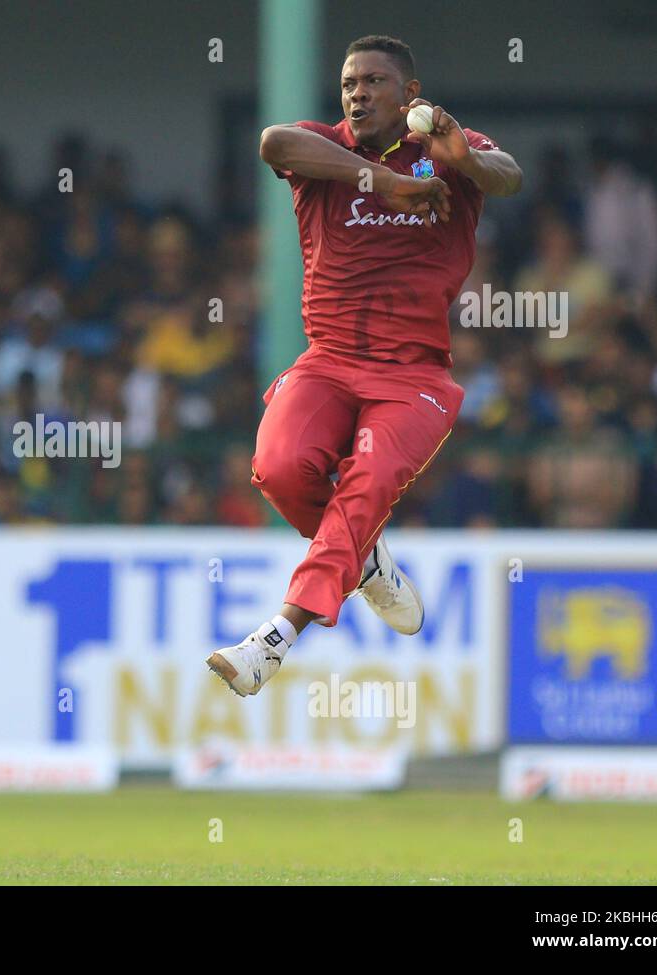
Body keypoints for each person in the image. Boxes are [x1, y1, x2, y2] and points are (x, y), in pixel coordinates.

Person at [207, 36, 522, 696]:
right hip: (328, 362)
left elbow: (509, 176)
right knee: (279, 468)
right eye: (350, 82)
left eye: (375, 81)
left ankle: (275, 636)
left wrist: (462, 157)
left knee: (368, 478)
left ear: (409, 95)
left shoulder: (446, 151)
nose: (357, 92)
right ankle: (368, 561)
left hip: (414, 378)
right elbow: (272, 142)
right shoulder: (324, 150)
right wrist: (388, 183)